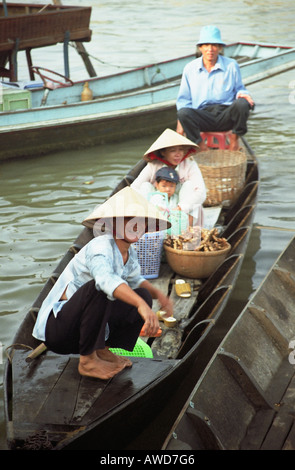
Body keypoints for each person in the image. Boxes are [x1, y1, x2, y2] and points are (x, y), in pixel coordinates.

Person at [32, 186, 173, 380]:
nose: (136, 225)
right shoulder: (100, 246)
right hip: (61, 330)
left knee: (142, 294)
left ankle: (104, 349)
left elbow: (135, 280)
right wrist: (141, 306)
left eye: (141, 222)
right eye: (128, 220)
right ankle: (88, 361)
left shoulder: (129, 252)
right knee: (99, 290)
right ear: (113, 224)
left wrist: (160, 296)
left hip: (89, 329)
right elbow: (105, 280)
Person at [176, 25, 255, 151]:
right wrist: (180, 126)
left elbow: (240, 89)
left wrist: (244, 95)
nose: (210, 49)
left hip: (226, 115)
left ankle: (234, 140)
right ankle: (201, 146)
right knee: (183, 112)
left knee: (242, 103)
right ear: (200, 47)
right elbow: (183, 101)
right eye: (206, 45)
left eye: (214, 45)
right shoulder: (190, 68)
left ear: (219, 48)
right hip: (203, 116)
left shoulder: (231, 65)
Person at [131, 128, 206, 226]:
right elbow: (135, 187)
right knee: (145, 186)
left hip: (181, 209)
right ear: (163, 153)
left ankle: (187, 229)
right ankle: (149, 224)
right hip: (159, 207)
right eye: (172, 150)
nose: (178, 154)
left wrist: (180, 208)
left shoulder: (190, 164)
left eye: (181, 150)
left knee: (189, 185)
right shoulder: (153, 165)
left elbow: (201, 192)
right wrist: (154, 209)